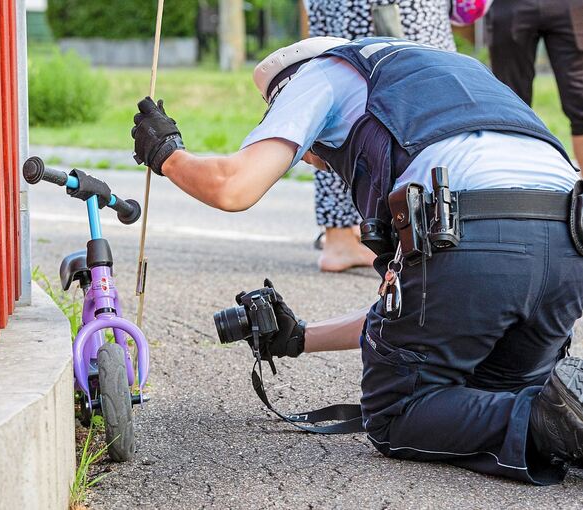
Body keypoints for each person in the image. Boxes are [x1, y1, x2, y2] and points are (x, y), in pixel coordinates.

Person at [131, 36, 583, 484]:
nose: (312, 158)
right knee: (502, 398)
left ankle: (552, 420)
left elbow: (234, 187)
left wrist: (168, 156)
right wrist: (299, 338)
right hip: (569, 246)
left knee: (396, 413)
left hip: (472, 238)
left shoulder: (320, 73)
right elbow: (416, 311)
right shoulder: (453, 74)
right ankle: (559, 417)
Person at [306, 0, 457, 272]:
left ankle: (339, 234)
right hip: (395, 9)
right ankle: (417, 227)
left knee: (338, 93)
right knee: (425, 96)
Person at [486, 0, 583, 166]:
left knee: (580, 99)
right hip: (510, 5)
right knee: (509, 103)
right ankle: (512, 183)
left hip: (570, 5)